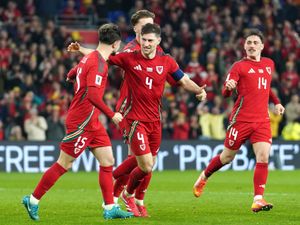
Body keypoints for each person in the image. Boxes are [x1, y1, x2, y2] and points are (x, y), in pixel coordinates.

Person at [68, 9, 177, 217]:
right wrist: (80, 57)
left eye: (152, 25)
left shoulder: (156, 47)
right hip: (131, 111)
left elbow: (169, 75)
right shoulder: (128, 50)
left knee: (145, 161)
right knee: (140, 160)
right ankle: (120, 199)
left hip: (152, 112)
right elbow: (101, 57)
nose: (149, 29)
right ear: (135, 28)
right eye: (145, 25)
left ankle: (131, 199)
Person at [22, 23, 133, 221]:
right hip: (82, 121)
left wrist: (75, 78)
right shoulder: (99, 64)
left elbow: (71, 74)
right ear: (116, 44)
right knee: (64, 164)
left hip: (92, 121)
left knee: (108, 161)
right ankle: (32, 200)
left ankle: (109, 207)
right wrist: (112, 114)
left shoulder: (89, 58)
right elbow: (93, 95)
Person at [107, 23, 206, 216]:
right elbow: (102, 57)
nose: (146, 43)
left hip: (155, 121)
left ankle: (123, 186)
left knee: (147, 165)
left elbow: (184, 80)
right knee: (145, 164)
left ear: (158, 41)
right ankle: (126, 194)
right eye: (143, 40)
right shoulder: (129, 57)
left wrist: (198, 91)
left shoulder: (167, 61)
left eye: (150, 40)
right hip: (135, 119)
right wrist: (81, 53)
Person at [193, 28, 285, 213]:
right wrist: (229, 87)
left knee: (263, 156)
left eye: (255, 43)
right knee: (227, 157)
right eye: (248, 43)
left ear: (262, 46)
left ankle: (257, 199)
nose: (252, 46)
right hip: (241, 120)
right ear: (244, 46)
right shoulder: (238, 66)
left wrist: (277, 102)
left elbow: (266, 86)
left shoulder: (269, 64)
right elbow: (225, 93)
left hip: (262, 120)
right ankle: (204, 176)